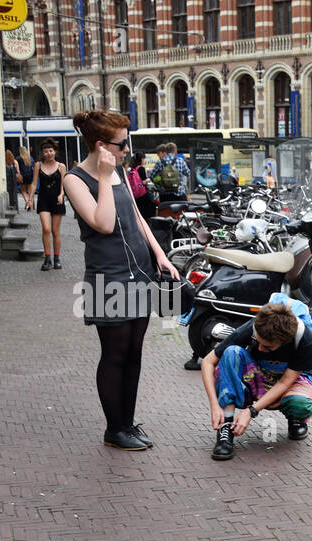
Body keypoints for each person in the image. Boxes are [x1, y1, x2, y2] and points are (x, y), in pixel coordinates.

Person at [62, 110, 180, 451]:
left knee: (134, 352)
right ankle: (114, 429)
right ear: (101, 146)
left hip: (139, 271)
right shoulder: (76, 179)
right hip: (107, 277)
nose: (127, 149)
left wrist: (159, 254)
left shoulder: (123, 172)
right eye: (121, 144)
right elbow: (103, 222)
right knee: (114, 354)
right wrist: (102, 175)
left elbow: (138, 219)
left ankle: (127, 423)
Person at [201, 300, 312, 461]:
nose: (261, 349)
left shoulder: (305, 339)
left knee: (300, 404)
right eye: (258, 343)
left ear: (285, 341)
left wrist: (251, 411)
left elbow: (285, 382)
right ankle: (225, 427)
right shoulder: (254, 327)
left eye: (268, 347)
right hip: (260, 376)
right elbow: (208, 362)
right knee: (230, 353)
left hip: (290, 382)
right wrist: (215, 406)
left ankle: (296, 419)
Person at [26, 138, 67, 271]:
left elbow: (63, 184)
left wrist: (61, 195)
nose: (49, 153)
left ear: (55, 152)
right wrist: (30, 199)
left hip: (56, 201)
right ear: (42, 153)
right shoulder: (38, 165)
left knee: (55, 231)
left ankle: (57, 258)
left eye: (51, 151)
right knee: (46, 229)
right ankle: (47, 258)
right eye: (46, 151)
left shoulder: (61, 167)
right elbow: (33, 183)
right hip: (43, 200)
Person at [128, 151, 158, 221]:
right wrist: (148, 179)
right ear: (141, 159)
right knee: (152, 203)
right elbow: (143, 182)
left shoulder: (133, 168)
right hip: (142, 193)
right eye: (144, 158)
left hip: (135, 193)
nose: (144, 160)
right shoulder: (141, 168)